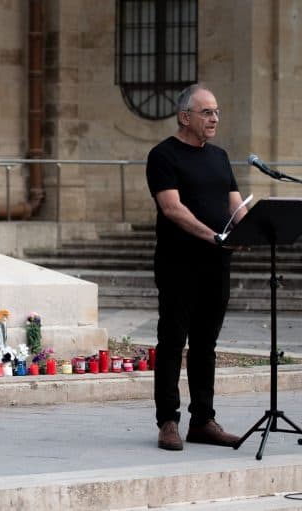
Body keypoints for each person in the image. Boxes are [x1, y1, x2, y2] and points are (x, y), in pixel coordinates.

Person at [146, 84, 249, 451]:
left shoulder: (220, 157)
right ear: (184, 116)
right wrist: (214, 237)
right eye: (207, 112)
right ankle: (168, 421)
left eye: (217, 112)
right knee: (172, 342)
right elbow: (172, 208)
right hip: (178, 264)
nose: (215, 118)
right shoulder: (163, 156)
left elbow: (235, 204)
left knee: (206, 345)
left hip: (216, 266)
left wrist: (249, 227)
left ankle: (203, 420)